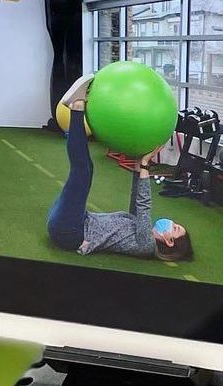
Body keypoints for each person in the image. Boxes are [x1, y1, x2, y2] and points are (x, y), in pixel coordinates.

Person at [47, 74, 193, 262]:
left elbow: (144, 206)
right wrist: (137, 167)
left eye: (174, 228)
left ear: (169, 241)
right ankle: (76, 108)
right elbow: (136, 203)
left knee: (82, 171)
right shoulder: (141, 232)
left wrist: (145, 165)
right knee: (87, 169)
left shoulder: (147, 245)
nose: (171, 223)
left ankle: (77, 108)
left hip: (69, 231)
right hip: (72, 222)